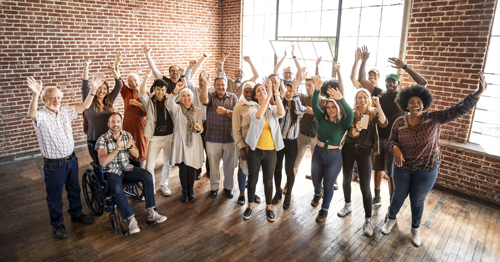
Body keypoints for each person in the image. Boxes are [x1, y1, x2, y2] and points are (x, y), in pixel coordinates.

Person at [381, 73, 486, 247]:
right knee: (398, 195)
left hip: (427, 169)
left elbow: (459, 109)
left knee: (417, 199)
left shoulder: (435, 118)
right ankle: (390, 220)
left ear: (424, 103)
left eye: (418, 102)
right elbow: (391, 140)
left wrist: (477, 93)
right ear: (406, 105)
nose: (416, 105)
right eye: (412, 102)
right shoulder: (399, 122)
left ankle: (415, 229)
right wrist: (396, 148)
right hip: (402, 167)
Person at [27, 75, 99, 239]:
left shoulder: (65, 110)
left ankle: (76, 213)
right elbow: (32, 113)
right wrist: (35, 94)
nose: (56, 100)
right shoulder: (41, 115)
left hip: (71, 160)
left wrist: (93, 90)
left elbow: (85, 105)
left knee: (74, 190)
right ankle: (57, 224)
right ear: (44, 99)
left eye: (58, 97)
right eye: (52, 97)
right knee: (54, 196)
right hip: (54, 165)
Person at [358, 48, 428, 206]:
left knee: (391, 174)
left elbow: (423, 83)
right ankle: (377, 196)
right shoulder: (380, 94)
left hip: (394, 142)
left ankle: (392, 203)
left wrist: (405, 67)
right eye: (388, 81)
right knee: (376, 169)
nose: (390, 83)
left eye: (393, 81)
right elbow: (362, 81)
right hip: (378, 138)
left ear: (398, 83)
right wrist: (363, 61)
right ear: (385, 83)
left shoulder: (404, 97)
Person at [96, 113, 167, 235]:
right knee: (117, 188)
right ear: (108, 124)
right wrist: (117, 149)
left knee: (147, 176)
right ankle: (131, 220)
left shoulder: (127, 135)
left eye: (118, 121)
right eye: (113, 122)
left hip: (127, 168)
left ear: (121, 123)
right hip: (112, 171)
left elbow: (136, 154)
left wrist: (130, 147)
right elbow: (102, 162)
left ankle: (151, 212)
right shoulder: (102, 139)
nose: (116, 124)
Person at [337, 88, 387, 237]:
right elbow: (350, 134)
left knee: (365, 187)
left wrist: (378, 105)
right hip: (349, 148)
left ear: (369, 99)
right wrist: (356, 129)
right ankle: (347, 205)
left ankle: (368, 220)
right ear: (356, 99)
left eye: (365, 97)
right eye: (359, 97)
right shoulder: (352, 112)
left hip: (365, 151)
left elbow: (384, 123)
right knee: (346, 179)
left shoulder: (374, 113)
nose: (362, 100)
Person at [310, 75, 353, 223]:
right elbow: (314, 105)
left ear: (337, 108)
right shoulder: (321, 118)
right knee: (316, 179)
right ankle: (317, 193)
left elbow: (351, 113)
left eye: (333, 106)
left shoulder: (343, 123)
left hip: (333, 156)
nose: (330, 109)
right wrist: (316, 90)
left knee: (328, 184)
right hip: (318, 153)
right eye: (328, 107)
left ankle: (324, 209)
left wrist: (340, 99)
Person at [243, 78, 285, 221]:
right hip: (255, 151)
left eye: (264, 89)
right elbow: (259, 116)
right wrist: (268, 95)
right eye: (259, 90)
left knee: (268, 181)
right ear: (255, 96)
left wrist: (276, 92)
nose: (262, 92)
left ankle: (268, 208)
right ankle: (249, 206)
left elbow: (281, 113)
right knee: (253, 179)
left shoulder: (272, 109)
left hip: (271, 152)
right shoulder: (252, 109)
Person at [199, 71, 239, 198]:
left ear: (226, 85)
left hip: (229, 138)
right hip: (213, 138)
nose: (220, 87)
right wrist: (205, 83)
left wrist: (226, 111)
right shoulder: (210, 96)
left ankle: (228, 187)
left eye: (222, 85)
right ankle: (214, 187)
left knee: (229, 165)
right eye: (218, 85)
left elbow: (237, 116)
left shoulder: (233, 97)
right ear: (214, 86)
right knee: (214, 165)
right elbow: (203, 100)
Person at [168, 73, 204, 202]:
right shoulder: (177, 108)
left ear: (192, 97)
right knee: (183, 168)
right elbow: (168, 103)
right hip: (181, 142)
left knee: (192, 167)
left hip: (194, 142)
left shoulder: (198, 111)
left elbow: (201, 128)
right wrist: (175, 91)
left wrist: (199, 128)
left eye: (188, 95)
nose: (186, 98)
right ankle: (184, 190)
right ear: (180, 97)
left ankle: (191, 190)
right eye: (183, 95)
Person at [81, 54, 122, 164]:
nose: (101, 90)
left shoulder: (109, 101)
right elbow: (85, 86)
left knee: (112, 163)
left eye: (104, 88)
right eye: (99, 87)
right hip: (94, 140)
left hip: (109, 139)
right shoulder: (89, 101)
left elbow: (119, 85)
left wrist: (114, 70)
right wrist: (86, 67)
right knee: (100, 164)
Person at [138, 71, 174, 196]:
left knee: (168, 163)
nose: (160, 92)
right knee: (149, 166)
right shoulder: (149, 101)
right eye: (158, 89)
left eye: (163, 90)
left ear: (166, 90)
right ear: (154, 89)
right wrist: (146, 77)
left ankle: (164, 185)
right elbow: (141, 93)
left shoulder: (170, 99)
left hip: (169, 136)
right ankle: (151, 188)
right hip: (154, 138)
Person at [272, 79, 306, 209]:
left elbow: (299, 111)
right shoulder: (279, 105)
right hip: (279, 142)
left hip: (292, 143)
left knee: (289, 170)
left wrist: (295, 94)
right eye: (286, 90)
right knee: (277, 168)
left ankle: (288, 194)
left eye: (291, 90)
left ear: (295, 91)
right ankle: (278, 191)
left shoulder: (299, 106)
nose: (288, 93)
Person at [232, 81, 262, 205]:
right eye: (246, 91)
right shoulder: (238, 107)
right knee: (243, 169)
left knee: (254, 170)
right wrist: (241, 148)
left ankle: (252, 191)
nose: (249, 94)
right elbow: (236, 129)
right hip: (245, 144)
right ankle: (242, 193)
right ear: (243, 92)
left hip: (258, 145)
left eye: (251, 91)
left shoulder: (259, 105)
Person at [184, 53, 211, 180]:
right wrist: (190, 67)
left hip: (209, 124)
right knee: (197, 148)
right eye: (200, 80)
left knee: (209, 149)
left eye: (204, 80)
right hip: (197, 123)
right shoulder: (193, 89)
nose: (201, 82)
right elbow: (187, 79)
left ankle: (210, 171)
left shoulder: (211, 91)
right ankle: (197, 170)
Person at [121, 70, 148, 165]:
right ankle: (130, 169)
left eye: (135, 80)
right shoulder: (126, 92)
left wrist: (138, 104)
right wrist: (116, 65)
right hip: (128, 125)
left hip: (140, 126)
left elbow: (147, 112)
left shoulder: (146, 94)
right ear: (128, 84)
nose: (133, 83)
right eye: (130, 82)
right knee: (128, 145)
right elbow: (118, 80)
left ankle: (143, 172)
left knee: (141, 147)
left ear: (139, 81)